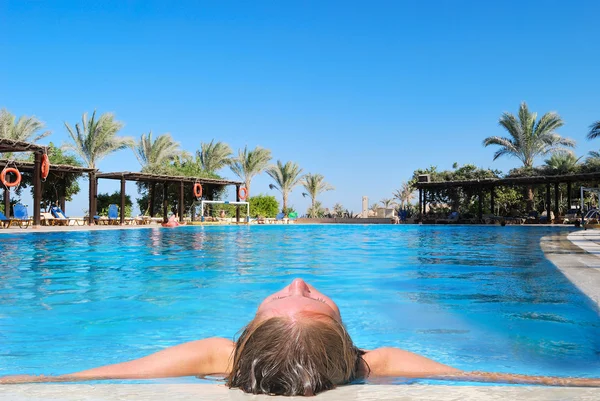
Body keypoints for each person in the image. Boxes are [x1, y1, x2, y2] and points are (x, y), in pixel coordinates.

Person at [1, 278, 599, 395]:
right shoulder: (375, 362)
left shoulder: (219, 353)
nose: (298, 281)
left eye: (289, 297)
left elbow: (99, 377)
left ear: (245, 337)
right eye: (307, 298)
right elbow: (481, 379)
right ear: (346, 338)